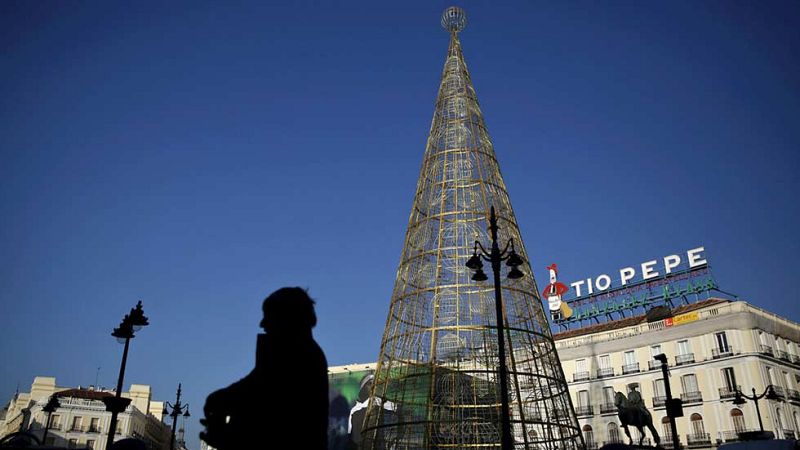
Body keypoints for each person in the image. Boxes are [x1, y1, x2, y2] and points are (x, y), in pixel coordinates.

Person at [201, 287, 329, 449]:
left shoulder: (294, 355)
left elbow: (259, 393)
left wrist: (222, 406)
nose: (262, 324)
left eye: (269, 316)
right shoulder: (302, 353)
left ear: (287, 319)